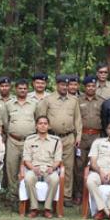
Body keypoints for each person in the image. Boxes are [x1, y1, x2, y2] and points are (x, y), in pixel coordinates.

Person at [36, 75, 82, 207]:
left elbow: (78, 120)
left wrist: (78, 136)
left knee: (68, 167)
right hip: (51, 138)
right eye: (62, 85)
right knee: (49, 165)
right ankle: (47, 195)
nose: (64, 87)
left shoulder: (73, 100)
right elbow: (41, 118)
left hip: (68, 138)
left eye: (66, 85)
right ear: (57, 85)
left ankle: (66, 196)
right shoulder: (48, 100)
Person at [23, 116, 63, 218]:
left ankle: (47, 208)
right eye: (40, 123)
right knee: (28, 178)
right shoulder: (29, 140)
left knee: (55, 179)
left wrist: (53, 168)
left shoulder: (56, 140)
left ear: (48, 126)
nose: (43, 125)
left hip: (49, 168)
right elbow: (26, 159)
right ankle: (34, 208)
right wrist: (32, 168)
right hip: (34, 167)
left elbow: (58, 159)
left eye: (45, 123)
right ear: (36, 126)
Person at [4, 79, 38, 197]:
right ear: (15, 89)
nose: (22, 90)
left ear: (27, 89)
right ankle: (13, 195)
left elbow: (38, 120)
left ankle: (25, 195)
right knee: (11, 168)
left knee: (28, 169)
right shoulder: (9, 104)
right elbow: (5, 122)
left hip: (30, 141)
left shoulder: (34, 103)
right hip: (13, 141)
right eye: (20, 88)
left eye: (25, 88)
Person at [75, 75, 104, 205]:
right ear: (84, 87)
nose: (91, 88)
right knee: (79, 166)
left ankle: (93, 193)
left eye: (93, 86)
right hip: (82, 137)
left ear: (96, 87)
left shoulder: (102, 102)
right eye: (88, 86)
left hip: (97, 137)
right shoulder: (78, 100)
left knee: (95, 166)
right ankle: (79, 194)